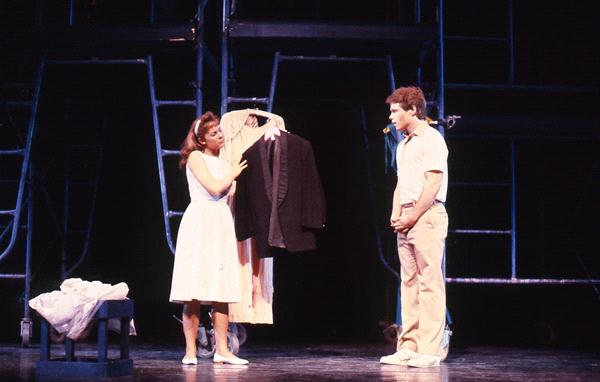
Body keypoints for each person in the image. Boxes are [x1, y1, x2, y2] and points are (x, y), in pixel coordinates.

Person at [169, 111, 249, 365]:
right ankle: (190, 351)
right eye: (214, 133)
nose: (220, 135)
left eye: (219, 131)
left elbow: (229, 200)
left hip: (221, 224)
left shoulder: (226, 165)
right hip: (200, 223)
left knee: (221, 288)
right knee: (193, 288)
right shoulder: (195, 157)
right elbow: (214, 188)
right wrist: (233, 174)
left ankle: (222, 350)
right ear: (202, 140)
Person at [379, 87, 449, 368]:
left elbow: (432, 184)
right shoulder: (403, 144)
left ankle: (430, 350)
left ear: (413, 110)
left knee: (429, 282)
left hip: (427, 215)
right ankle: (408, 345)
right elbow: (401, 183)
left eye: (396, 110)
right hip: (407, 216)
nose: (391, 115)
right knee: (408, 283)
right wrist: (397, 213)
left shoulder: (432, 139)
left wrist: (412, 216)